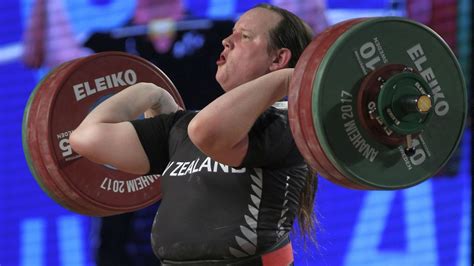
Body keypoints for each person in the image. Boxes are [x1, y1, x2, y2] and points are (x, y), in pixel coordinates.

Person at [70, 3, 317, 265]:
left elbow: (206, 133)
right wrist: (147, 90)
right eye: (231, 33)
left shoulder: (287, 124)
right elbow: (86, 137)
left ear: (278, 59)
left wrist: (292, 78)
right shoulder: (182, 127)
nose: (226, 41)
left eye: (244, 36)